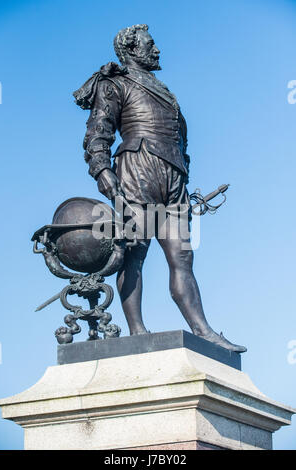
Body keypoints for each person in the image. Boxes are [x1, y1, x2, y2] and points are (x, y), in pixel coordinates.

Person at [73, 24, 246, 352]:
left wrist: (183, 175)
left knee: (183, 256)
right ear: (132, 50)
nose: (158, 50)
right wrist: (102, 170)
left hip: (173, 180)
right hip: (137, 173)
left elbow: (181, 141)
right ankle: (137, 330)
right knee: (135, 253)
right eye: (151, 45)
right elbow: (97, 133)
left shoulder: (165, 92)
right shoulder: (115, 83)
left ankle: (202, 328)